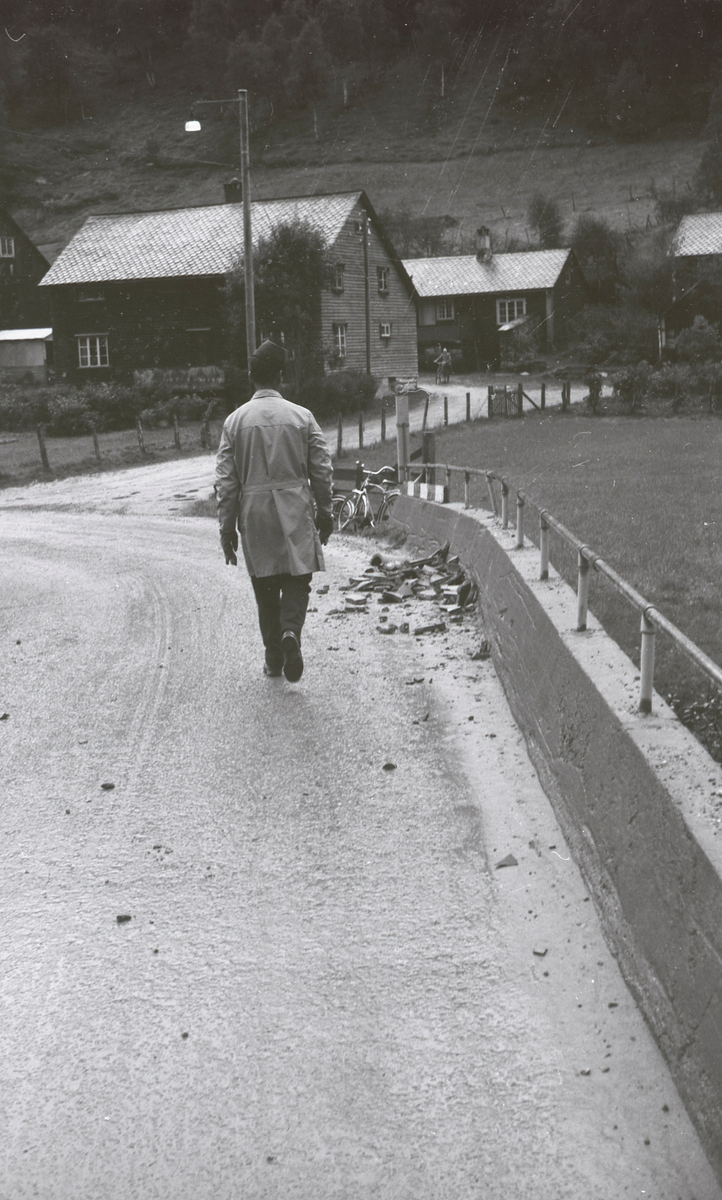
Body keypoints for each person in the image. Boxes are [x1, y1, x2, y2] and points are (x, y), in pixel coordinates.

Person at [215, 339, 334, 682]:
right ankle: (291, 632)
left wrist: (226, 530)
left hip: (254, 514)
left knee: (265, 587)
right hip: (295, 507)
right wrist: (325, 512)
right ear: (280, 377)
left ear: (252, 376)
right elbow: (322, 469)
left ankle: (274, 659)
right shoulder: (302, 417)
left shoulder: (234, 423)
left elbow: (226, 484)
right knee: (298, 577)